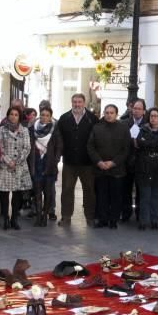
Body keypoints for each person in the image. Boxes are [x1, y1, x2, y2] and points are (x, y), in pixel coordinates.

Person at [57, 93, 98, 227]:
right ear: (71, 102)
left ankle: (90, 217)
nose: (77, 104)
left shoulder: (92, 119)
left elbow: (96, 140)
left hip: (87, 162)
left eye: (79, 102)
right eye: (74, 102)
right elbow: (59, 139)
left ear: (84, 103)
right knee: (67, 190)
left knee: (89, 190)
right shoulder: (64, 118)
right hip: (69, 162)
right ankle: (66, 217)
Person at [87, 104, 130, 229]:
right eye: (107, 112)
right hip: (100, 169)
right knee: (101, 196)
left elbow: (126, 149)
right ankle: (102, 219)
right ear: (104, 114)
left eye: (112, 112)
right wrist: (99, 161)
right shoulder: (97, 128)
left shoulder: (123, 128)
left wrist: (113, 162)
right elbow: (90, 147)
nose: (109, 115)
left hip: (117, 169)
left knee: (116, 196)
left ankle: (113, 220)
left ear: (116, 114)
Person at [0, 107, 32, 230]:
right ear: (8, 115)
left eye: (16, 114)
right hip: (5, 166)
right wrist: (8, 161)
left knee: (17, 194)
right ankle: (5, 218)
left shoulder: (25, 130)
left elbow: (27, 148)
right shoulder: (2, 129)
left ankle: (14, 219)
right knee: (4, 194)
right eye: (11, 114)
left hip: (19, 166)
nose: (13, 116)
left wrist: (17, 161)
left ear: (19, 117)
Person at [135, 107, 158, 230]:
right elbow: (140, 143)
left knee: (155, 196)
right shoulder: (143, 130)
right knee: (145, 196)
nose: (153, 118)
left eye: (156, 116)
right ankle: (143, 221)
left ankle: (154, 220)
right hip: (144, 168)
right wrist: (156, 144)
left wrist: (149, 144)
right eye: (151, 116)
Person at [28, 106, 62, 227]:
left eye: (47, 115)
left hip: (49, 165)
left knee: (48, 193)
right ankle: (38, 217)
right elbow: (28, 145)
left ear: (50, 117)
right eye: (42, 114)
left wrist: (56, 160)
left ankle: (45, 216)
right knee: (37, 193)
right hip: (36, 163)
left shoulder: (55, 129)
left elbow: (59, 146)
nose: (44, 117)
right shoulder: (32, 129)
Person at [120, 99, 146, 222]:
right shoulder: (124, 123)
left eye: (139, 109)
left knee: (141, 190)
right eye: (135, 108)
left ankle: (140, 213)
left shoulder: (148, 124)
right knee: (126, 190)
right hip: (127, 162)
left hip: (142, 162)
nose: (136, 111)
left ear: (144, 111)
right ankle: (126, 213)